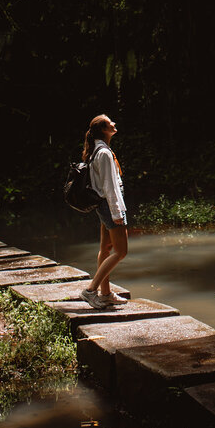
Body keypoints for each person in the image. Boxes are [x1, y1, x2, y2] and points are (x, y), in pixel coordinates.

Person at [80, 113, 129, 309]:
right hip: (110, 207)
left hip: (103, 205)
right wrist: (117, 214)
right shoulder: (104, 153)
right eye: (110, 123)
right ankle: (91, 290)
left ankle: (106, 293)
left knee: (106, 249)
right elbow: (110, 187)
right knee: (121, 251)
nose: (114, 124)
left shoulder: (97, 150)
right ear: (103, 129)